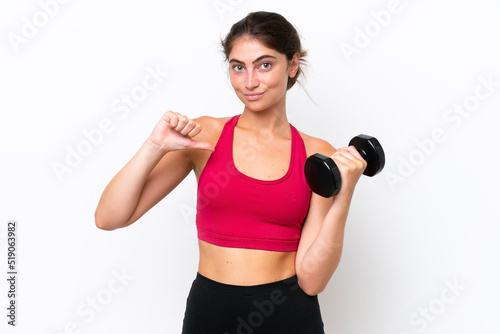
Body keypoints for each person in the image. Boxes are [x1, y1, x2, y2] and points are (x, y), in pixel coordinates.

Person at [95, 11, 367, 334]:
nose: (249, 82)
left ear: (292, 65)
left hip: (289, 316)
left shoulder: (314, 153)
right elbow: (109, 218)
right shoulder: (205, 136)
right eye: (238, 67)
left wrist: (344, 195)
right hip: (210, 315)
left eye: (265, 65)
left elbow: (312, 279)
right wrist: (154, 145)